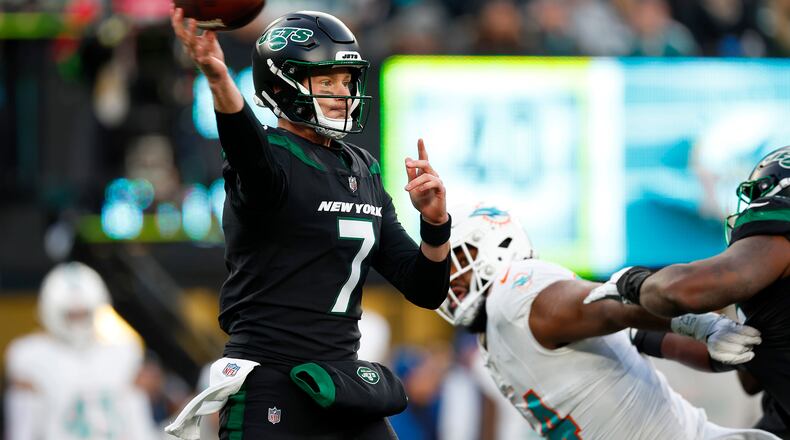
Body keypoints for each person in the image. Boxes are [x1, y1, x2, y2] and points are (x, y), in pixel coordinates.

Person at [168, 8, 451, 439]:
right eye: (326, 81)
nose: (342, 92)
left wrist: (435, 224)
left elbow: (425, 289)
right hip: (271, 382)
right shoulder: (271, 159)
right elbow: (246, 145)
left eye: (345, 80)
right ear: (284, 83)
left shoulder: (363, 168)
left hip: (341, 383)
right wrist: (218, 78)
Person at [438, 203, 777, 439]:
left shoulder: (514, 290)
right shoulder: (495, 328)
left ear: (499, 248)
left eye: (458, 258)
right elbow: (631, 326)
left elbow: (610, 306)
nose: (447, 275)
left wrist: (699, 326)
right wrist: (701, 328)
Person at [584, 145, 790, 435]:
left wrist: (630, 282)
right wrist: (636, 332)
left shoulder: (775, 243)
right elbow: (753, 371)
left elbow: (681, 290)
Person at [3, 262, 159, 440]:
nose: (78, 321)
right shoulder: (28, 355)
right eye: (71, 315)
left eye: (83, 313)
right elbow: (22, 430)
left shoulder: (124, 350)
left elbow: (138, 422)